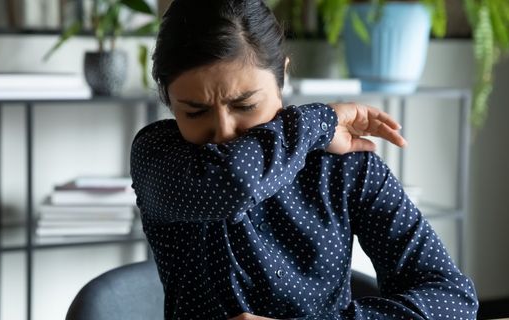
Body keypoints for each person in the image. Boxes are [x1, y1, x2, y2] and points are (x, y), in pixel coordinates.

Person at [130, 0, 479, 319]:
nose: (223, 132)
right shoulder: (158, 154)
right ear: (168, 99)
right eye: (195, 112)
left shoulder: (343, 164)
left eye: (245, 105)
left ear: (283, 75)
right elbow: (234, 181)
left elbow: (452, 297)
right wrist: (322, 119)